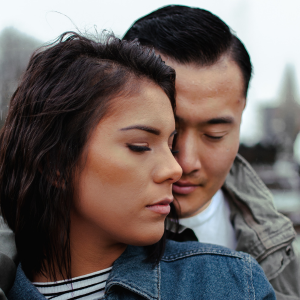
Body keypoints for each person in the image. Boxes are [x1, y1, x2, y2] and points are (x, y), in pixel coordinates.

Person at [0, 32, 275, 299]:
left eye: (170, 146)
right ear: (55, 162)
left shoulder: (232, 284)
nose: (175, 168)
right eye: (140, 146)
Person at [123, 5, 300, 299]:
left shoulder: (277, 240)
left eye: (214, 135)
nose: (185, 162)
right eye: (167, 132)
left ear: (241, 114)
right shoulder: (65, 246)